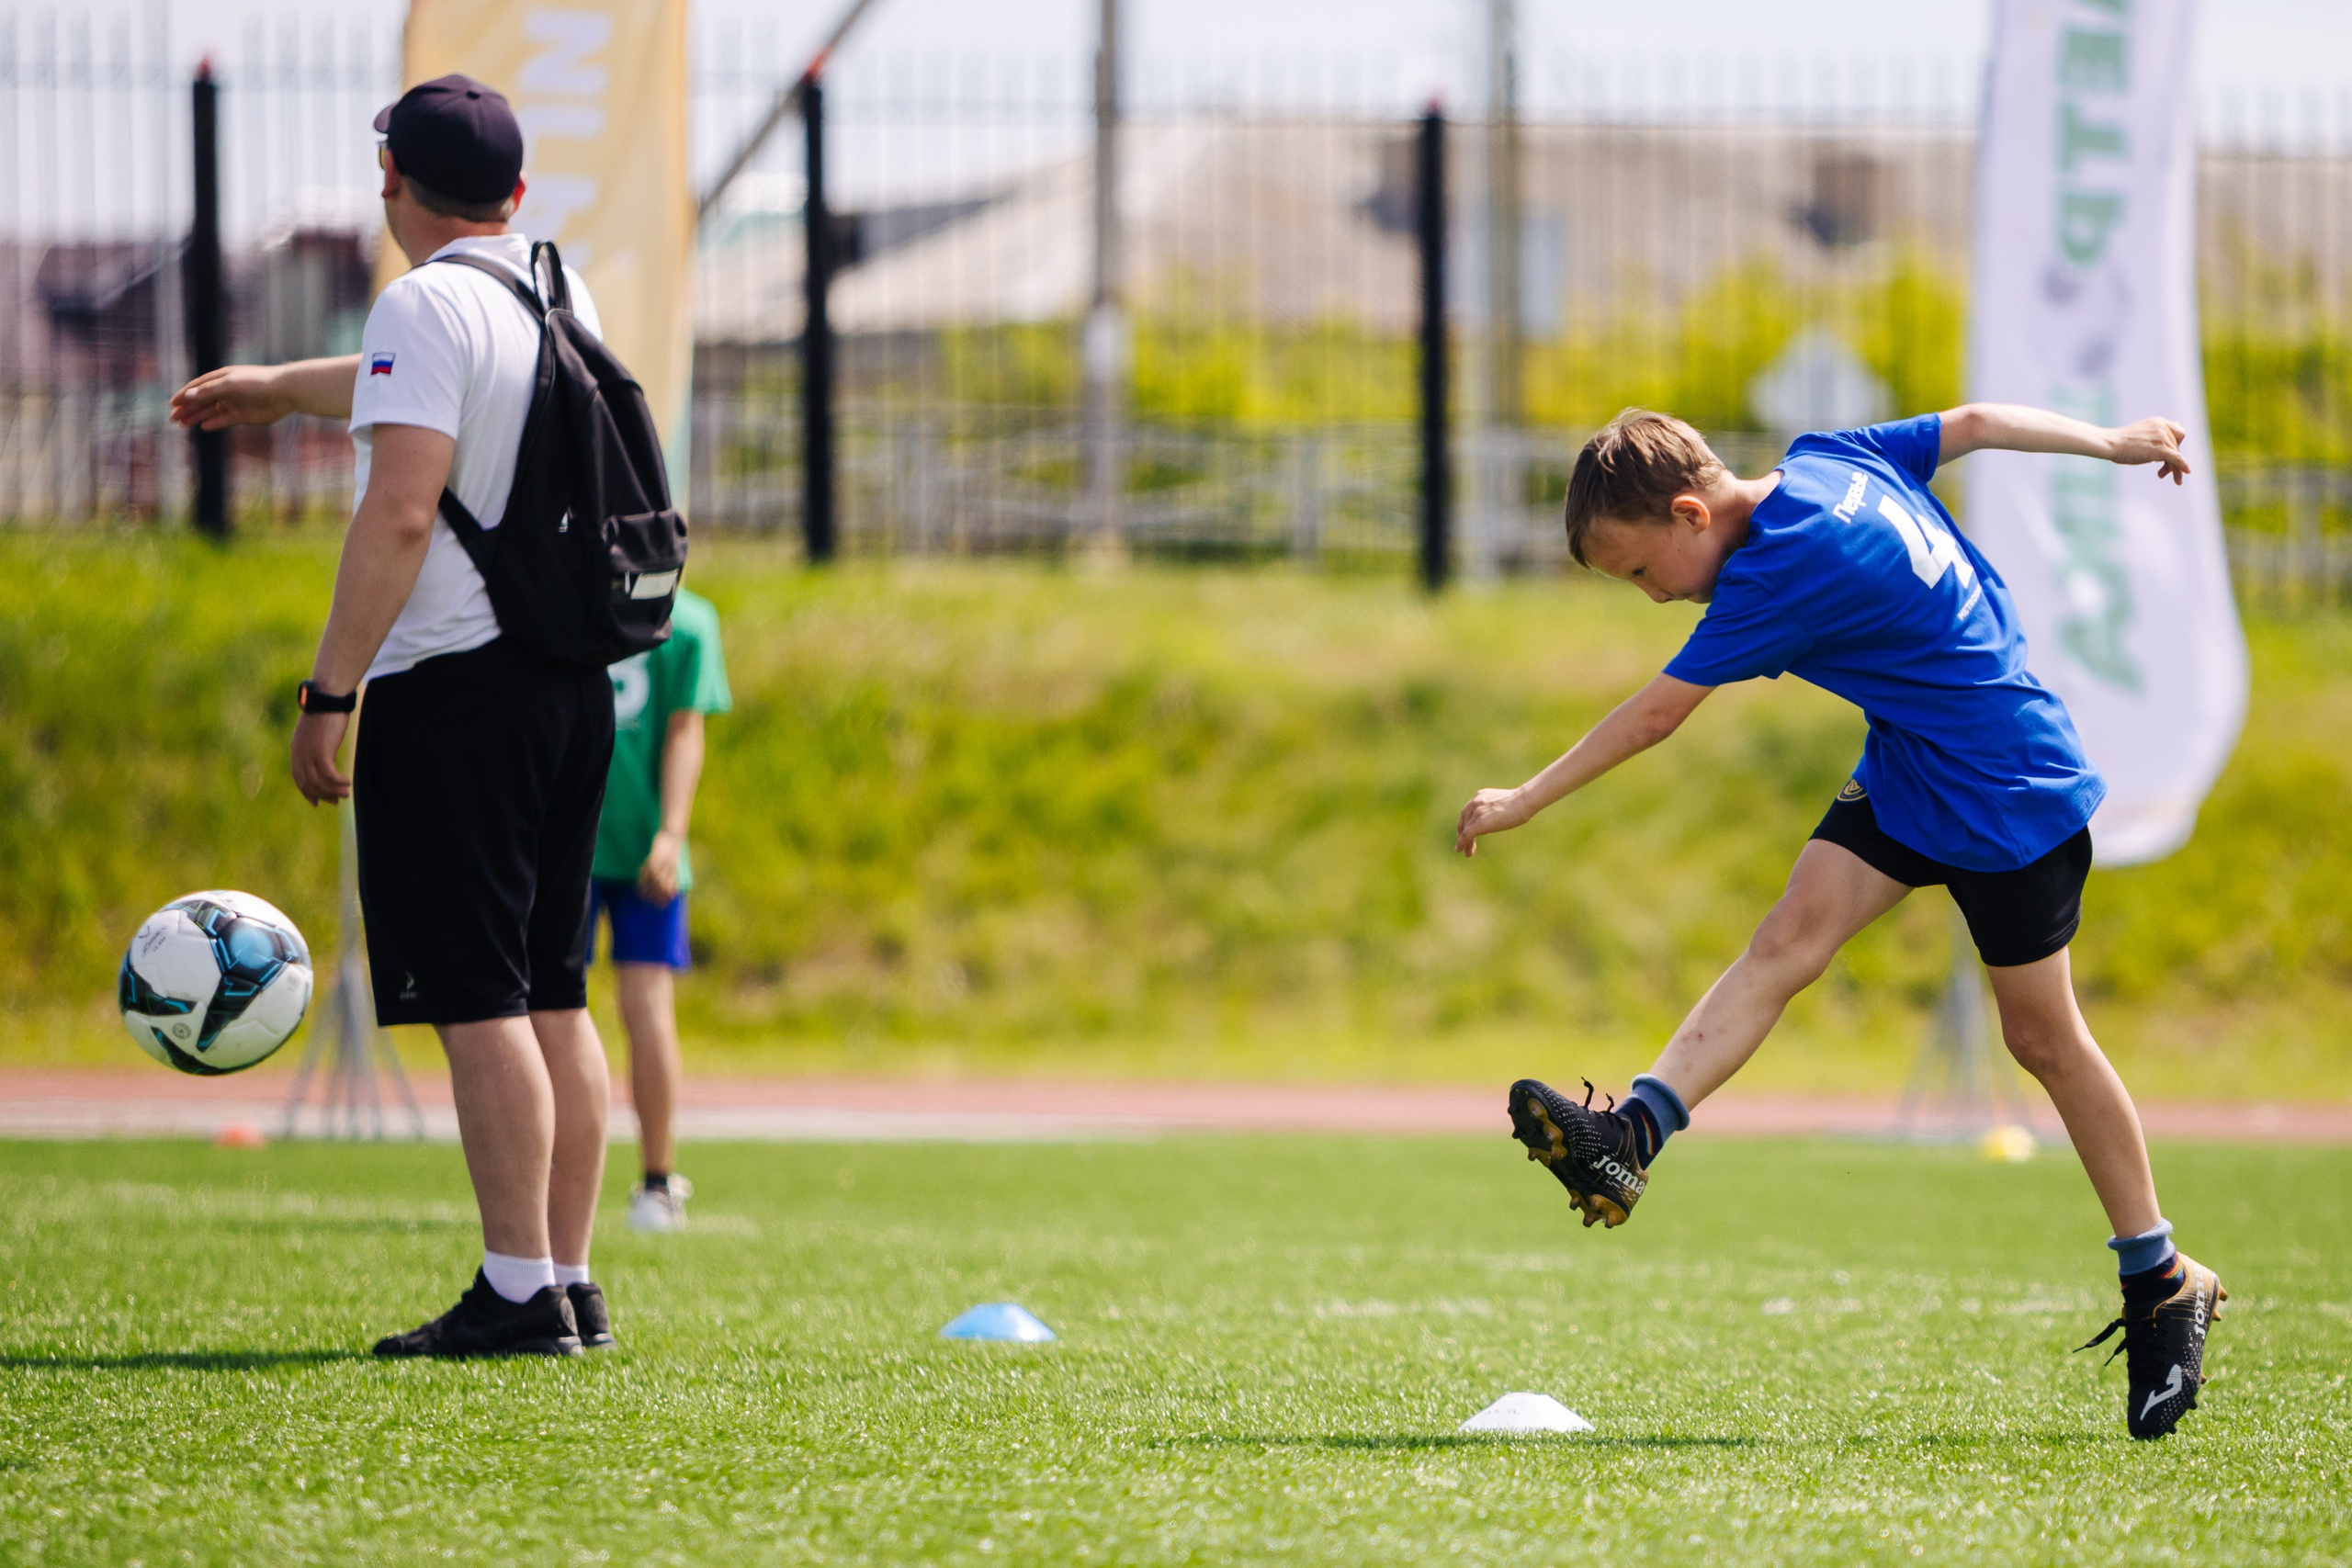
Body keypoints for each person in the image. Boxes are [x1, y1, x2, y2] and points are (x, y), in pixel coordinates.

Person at [1454, 404, 2225, 1441]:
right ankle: (1629, 1135)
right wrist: (2110, 442)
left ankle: (2163, 1277)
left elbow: (1654, 716)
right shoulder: (1827, 457)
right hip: (1915, 760)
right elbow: (1977, 420)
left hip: (2005, 784)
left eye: (1641, 572)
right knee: (1786, 942)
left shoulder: (1780, 569)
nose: (1650, 597)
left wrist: (1523, 800)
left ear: (1690, 512)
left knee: (2042, 1038)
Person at [170, 74, 620, 1359]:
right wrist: (282, 386)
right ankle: (569, 1278)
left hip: (457, 687)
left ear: (391, 184)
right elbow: (423, 384)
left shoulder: (416, 303)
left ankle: (516, 1286)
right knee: (551, 985)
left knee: (479, 991)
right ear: (516, 192)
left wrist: (330, 688)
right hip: (569, 683)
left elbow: (403, 504)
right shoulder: (554, 285)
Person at [593, 588, 730, 1232]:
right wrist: (671, 834)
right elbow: (683, 729)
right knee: (644, 1006)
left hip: (566, 838)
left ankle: (558, 1181)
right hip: (634, 840)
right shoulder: (691, 617)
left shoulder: (565, 592)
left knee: (549, 1009)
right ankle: (655, 1182)